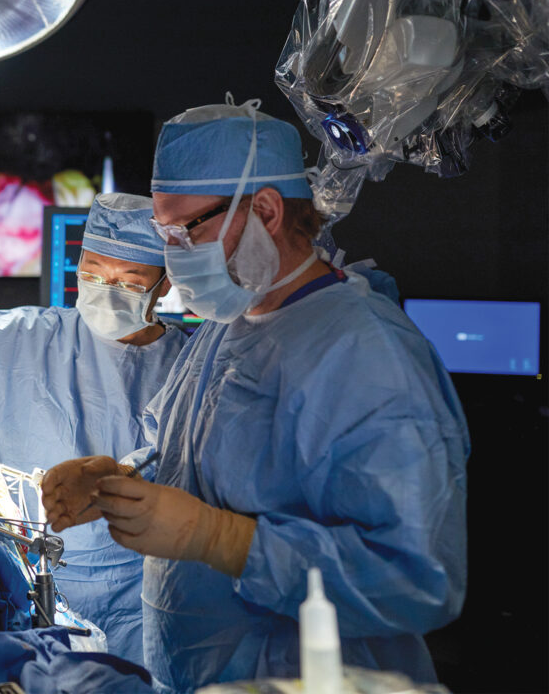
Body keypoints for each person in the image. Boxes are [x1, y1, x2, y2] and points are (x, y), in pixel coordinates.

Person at [42, 96, 469, 692]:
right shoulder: (228, 324)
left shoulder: (366, 354)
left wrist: (225, 540)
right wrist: (120, 477)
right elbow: (187, 456)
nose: (172, 257)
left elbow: (417, 580)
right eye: (164, 234)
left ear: (266, 210)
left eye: (186, 230)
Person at [0, 193, 188, 663]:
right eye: (92, 273)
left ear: (163, 285)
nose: (105, 288)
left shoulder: (192, 363)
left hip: (141, 598)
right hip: (18, 585)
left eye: (127, 281)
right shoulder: (19, 339)